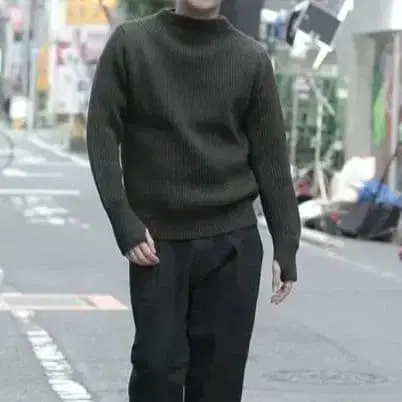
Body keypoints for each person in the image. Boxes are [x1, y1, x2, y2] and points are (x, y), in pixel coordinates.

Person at [86, 0, 301, 401]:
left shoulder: (251, 59)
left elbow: (271, 156)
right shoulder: (131, 44)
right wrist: (123, 220)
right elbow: (101, 131)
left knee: (219, 383)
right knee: (156, 372)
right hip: (157, 243)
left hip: (233, 243)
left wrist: (286, 240)